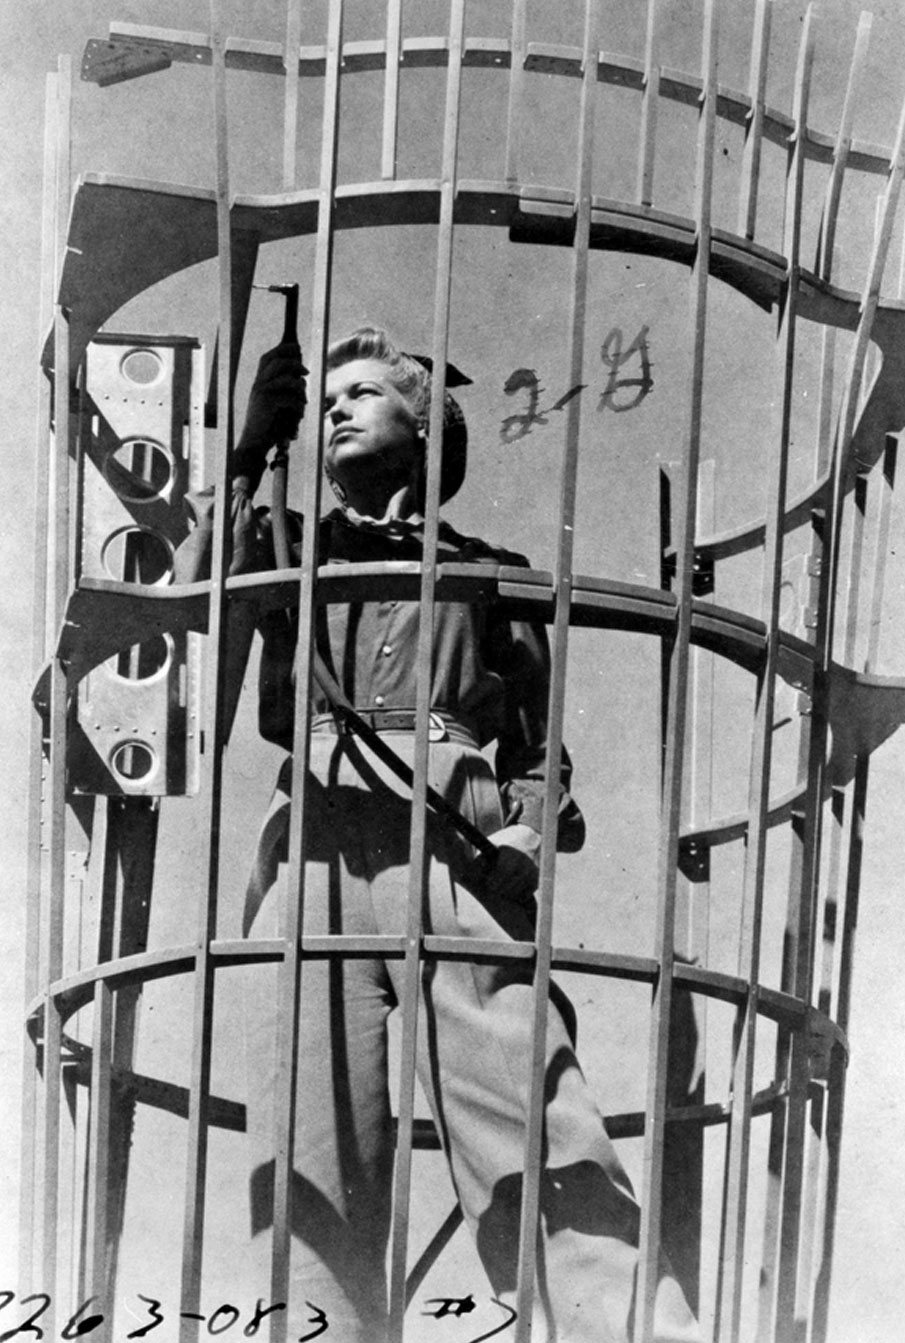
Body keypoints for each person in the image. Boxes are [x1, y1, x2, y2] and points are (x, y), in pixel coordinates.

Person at [179, 327, 701, 1342]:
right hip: (316, 842)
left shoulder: (487, 574)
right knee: (306, 1157)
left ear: (426, 428)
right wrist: (245, 457)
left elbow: (543, 752)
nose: (337, 408)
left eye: (364, 391)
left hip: (455, 837)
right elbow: (193, 591)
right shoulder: (283, 544)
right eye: (325, 397)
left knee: (533, 1123)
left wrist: (528, 842)